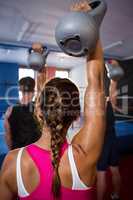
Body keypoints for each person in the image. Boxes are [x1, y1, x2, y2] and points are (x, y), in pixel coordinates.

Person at [0, 1, 106, 200]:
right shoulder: (84, 155)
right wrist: (90, 26)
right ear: (75, 116)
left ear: (38, 111)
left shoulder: (13, 163)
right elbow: (96, 82)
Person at [97, 60, 122, 200]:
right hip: (113, 138)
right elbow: (113, 84)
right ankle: (116, 195)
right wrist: (114, 69)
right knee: (115, 170)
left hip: (103, 141)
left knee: (101, 174)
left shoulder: (97, 106)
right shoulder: (109, 102)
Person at [4, 76, 41, 150]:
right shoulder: (39, 109)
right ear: (33, 91)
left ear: (20, 90)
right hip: (35, 153)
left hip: (18, 153)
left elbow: (7, 136)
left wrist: (12, 152)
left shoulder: (10, 110)